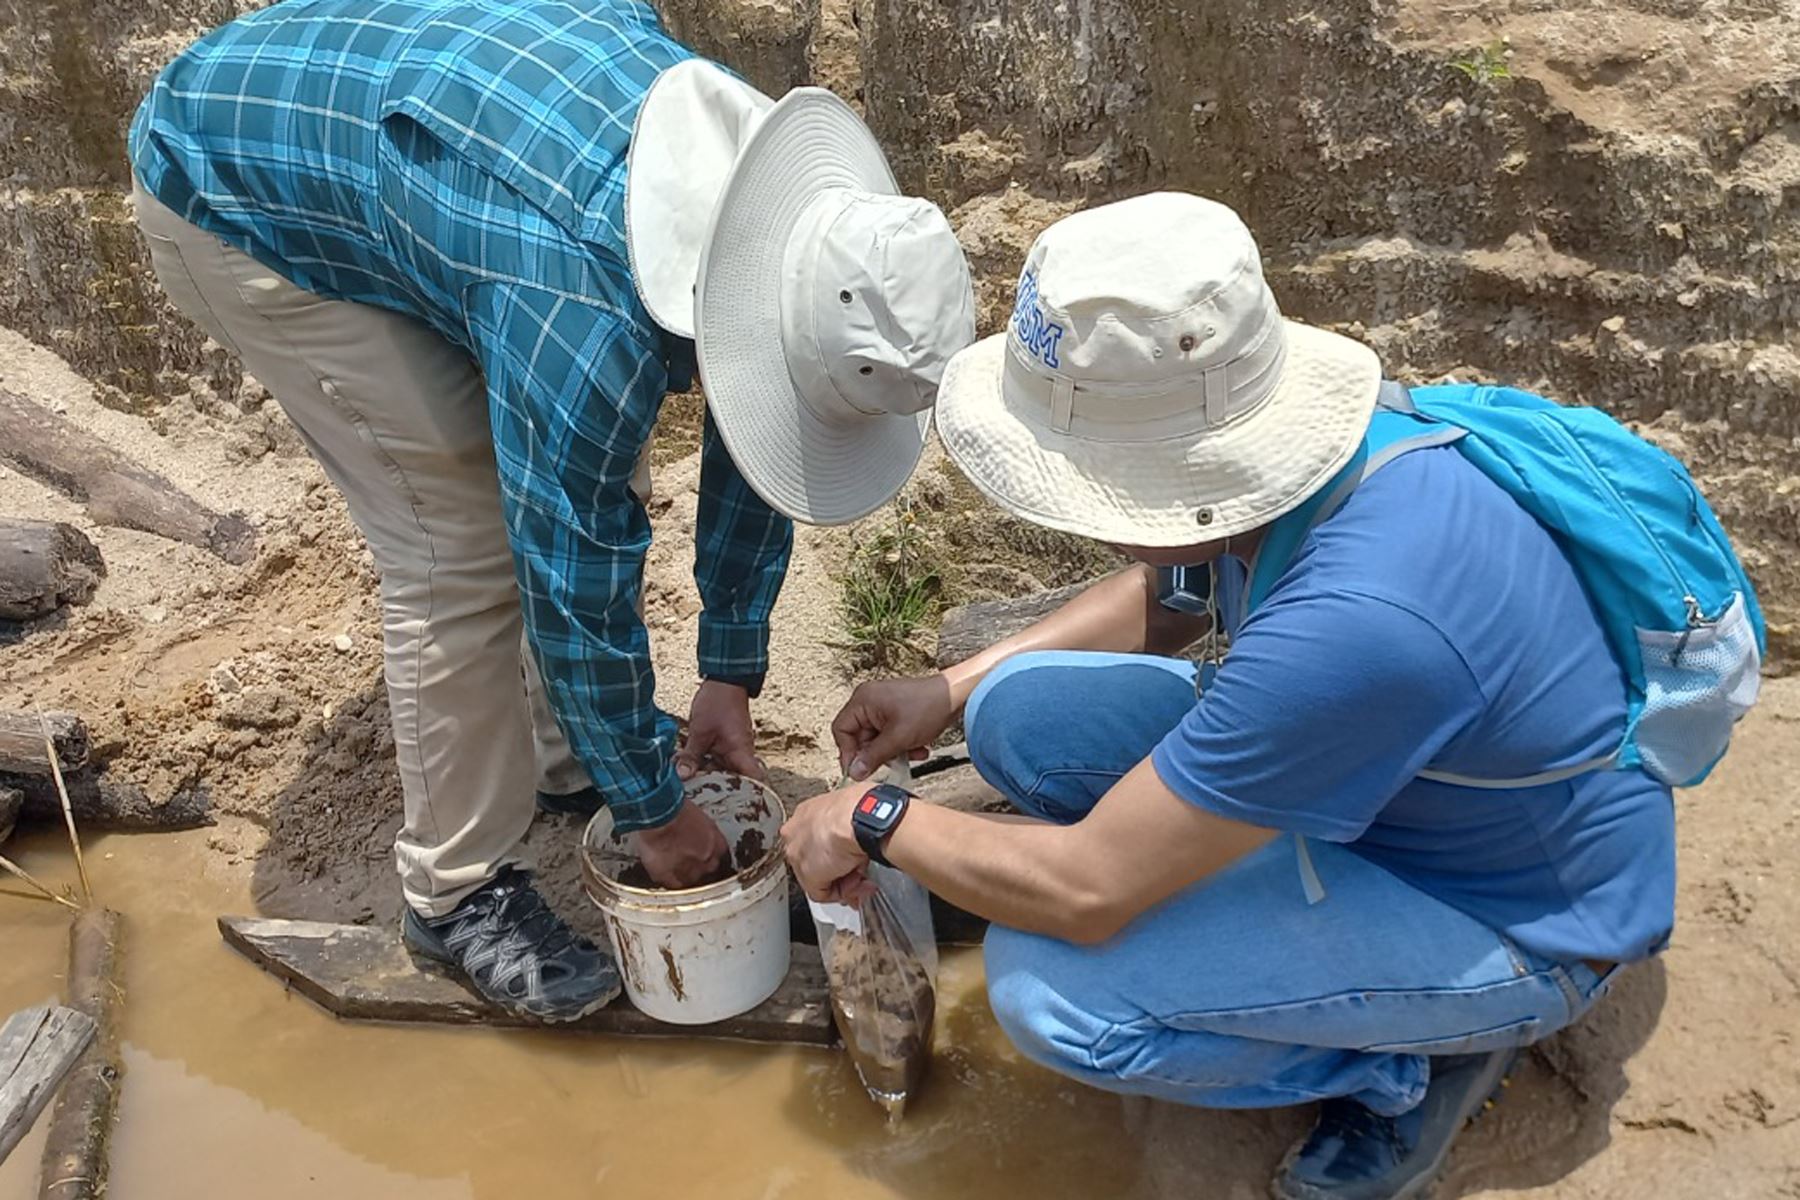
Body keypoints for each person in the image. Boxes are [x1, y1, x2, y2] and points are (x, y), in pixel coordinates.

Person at [782, 192, 1744, 1199]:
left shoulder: (1361, 624)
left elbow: (1086, 889)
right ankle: (1292, 954)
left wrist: (873, 816)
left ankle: (1408, 1067)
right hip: (1399, 783)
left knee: (1049, 991)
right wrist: (952, 685)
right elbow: (1171, 596)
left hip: (1514, 912)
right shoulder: (1324, 458)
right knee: (1020, 714)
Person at [130, 0, 975, 1022]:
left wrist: (727, 674)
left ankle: (568, 754)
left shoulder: (794, 215)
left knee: (577, 461)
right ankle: (452, 893)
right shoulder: (586, 305)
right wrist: (654, 814)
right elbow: (563, 561)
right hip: (239, 187)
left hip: (432, 163)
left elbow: (762, 433)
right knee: (462, 548)